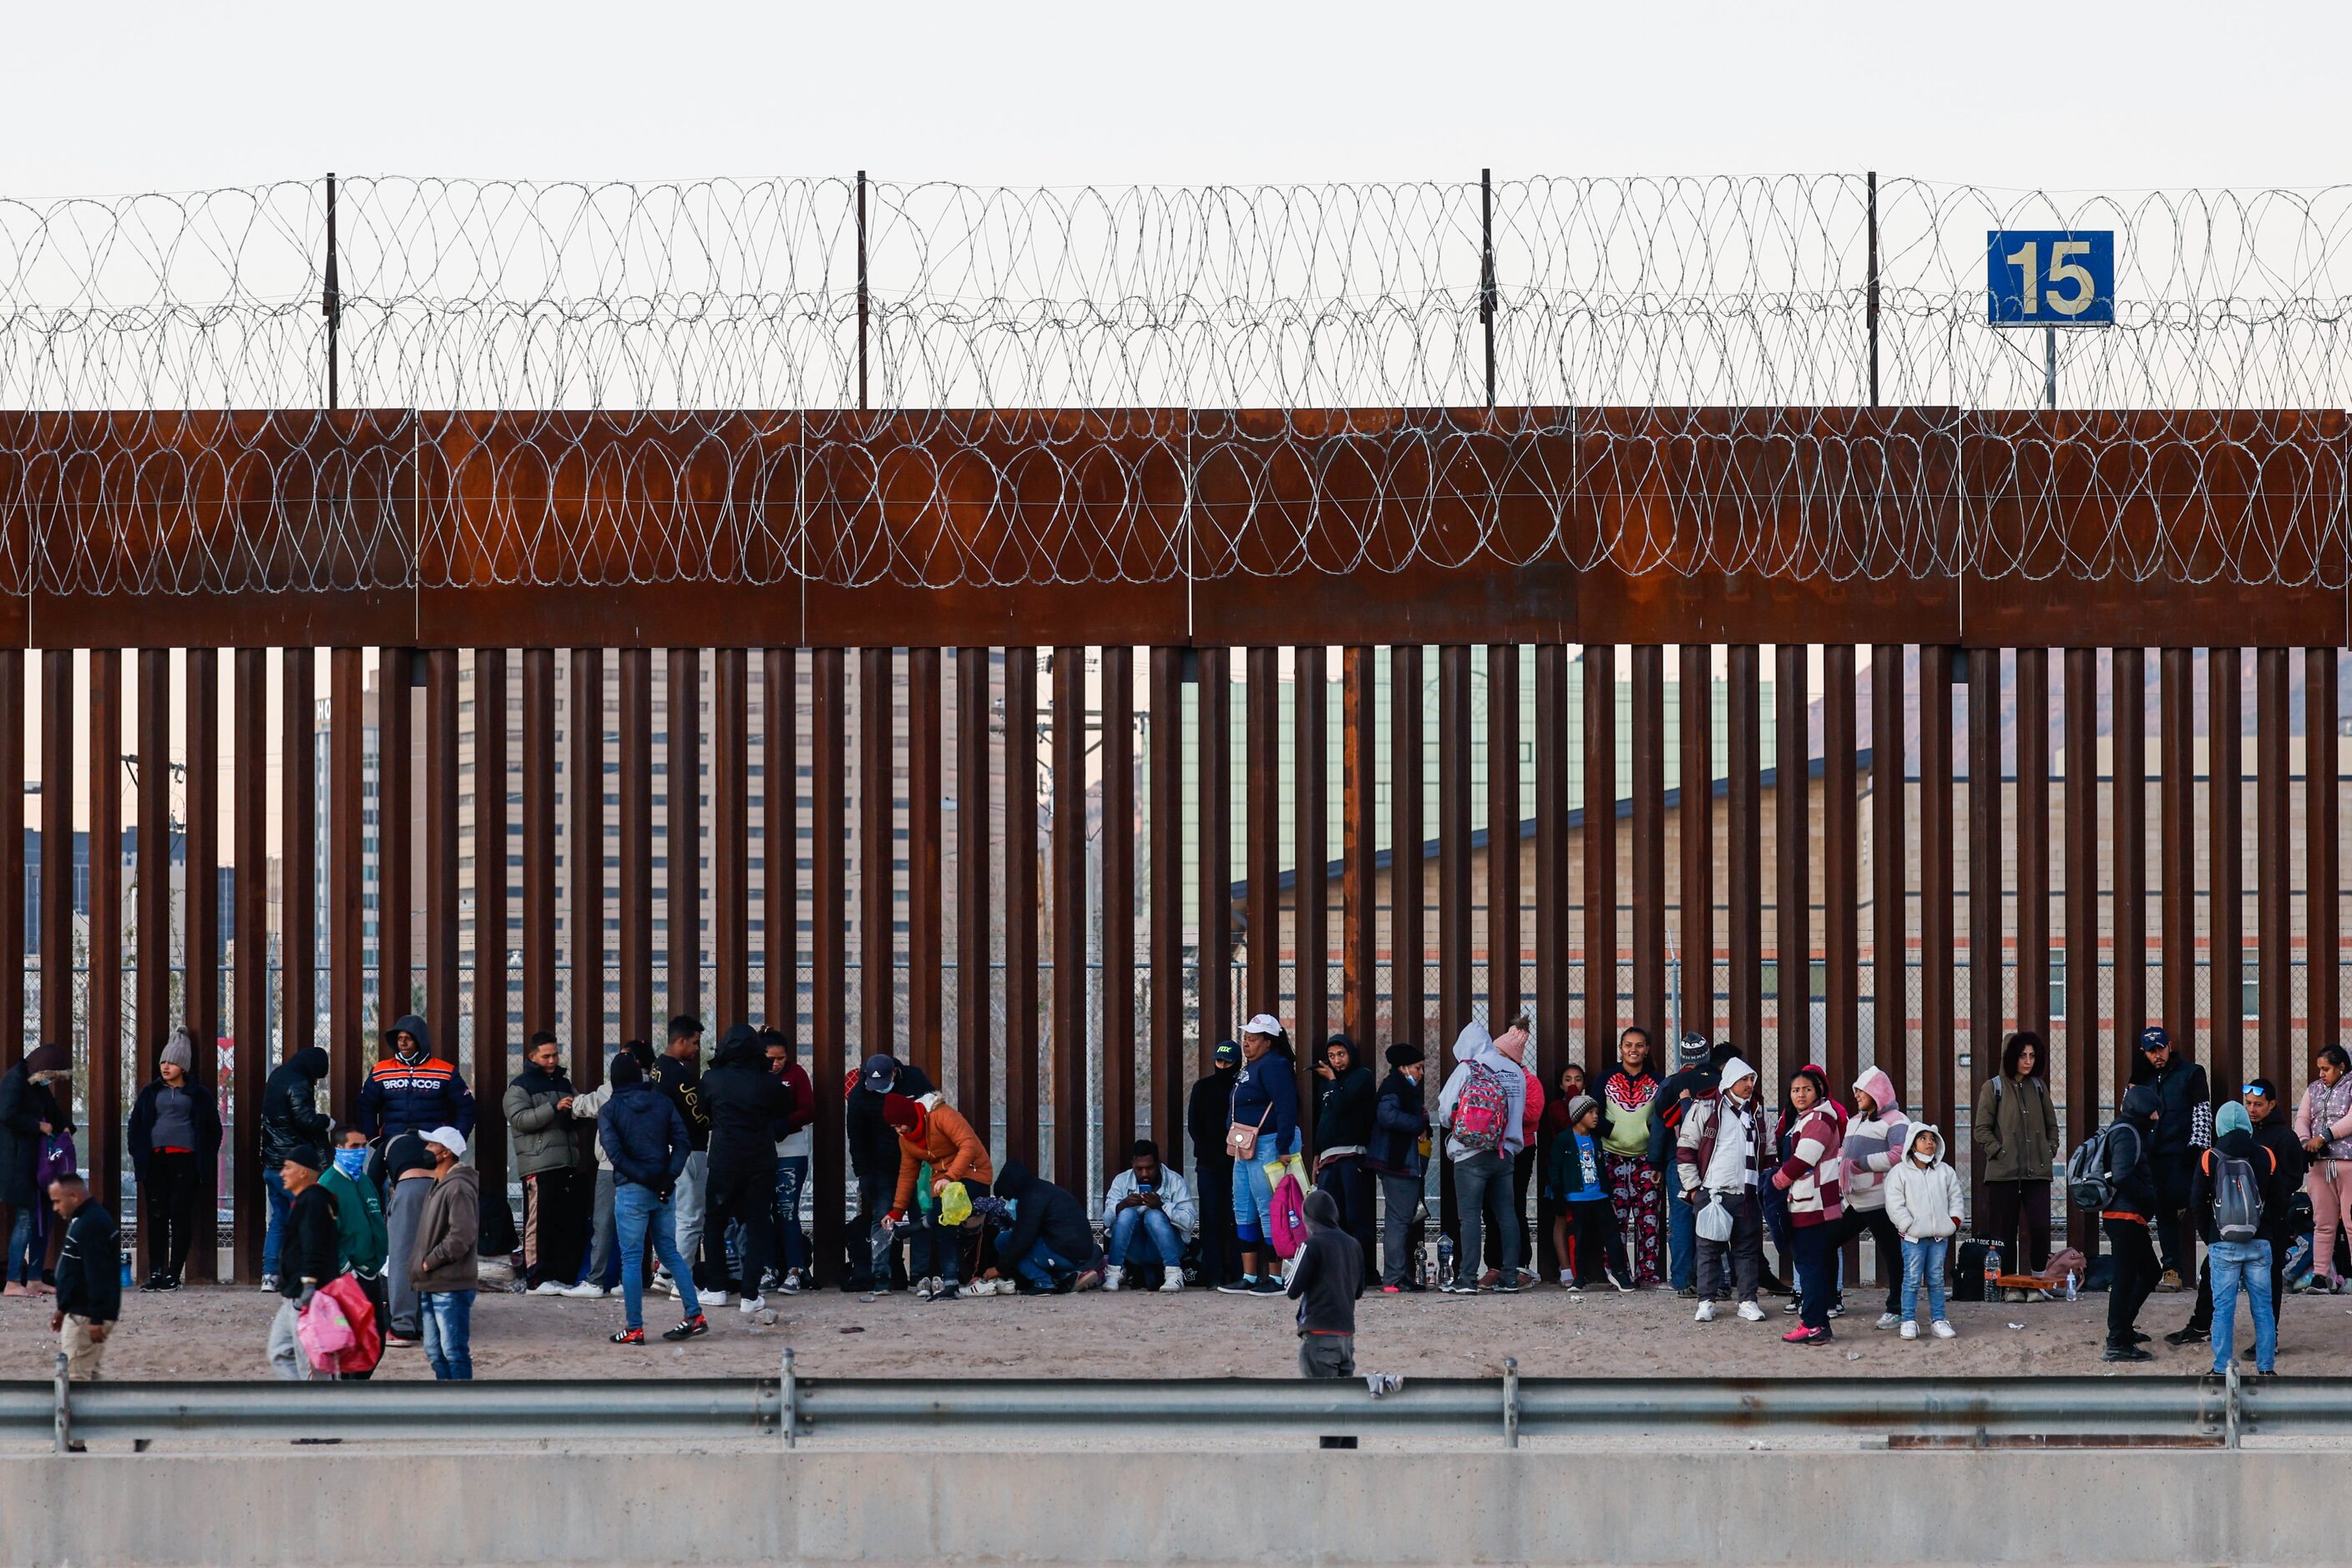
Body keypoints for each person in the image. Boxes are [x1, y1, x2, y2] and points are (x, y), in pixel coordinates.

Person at [2173, 1078, 2307, 1347]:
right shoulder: (2243, 1136)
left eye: (2258, 1104)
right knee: (2214, 1275)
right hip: (2235, 1227)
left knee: (2267, 1287)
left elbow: (2291, 1180)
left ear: (2272, 1105)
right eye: (2248, 1104)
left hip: (2265, 1227)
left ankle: (2267, 1340)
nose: (2252, 1109)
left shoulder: (2283, 1138)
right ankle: (2201, 1325)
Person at [596, 1051, 708, 1344]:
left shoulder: (609, 1110)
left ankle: (634, 1327)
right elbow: (682, 1143)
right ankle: (694, 1314)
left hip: (632, 1189)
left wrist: (647, 1179)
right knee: (670, 1253)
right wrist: (666, 1178)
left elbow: (616, 1155)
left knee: (632, 1259)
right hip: (663, 1189)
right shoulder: (662, 1102)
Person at [699, 1024, 798, 1313]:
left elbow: (704, 1112)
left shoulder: (712, 1079)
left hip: (723, 1161)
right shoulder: (768, 1083)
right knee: (756, 1226)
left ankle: (716, 1288)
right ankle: (750, 1294)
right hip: (760, 1161)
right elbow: (785, 1108)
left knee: (715, 1224)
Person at [2193, 1100, 2290, 1378]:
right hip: (2260, 1242)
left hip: (2222, 1244)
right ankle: (2266, 1367)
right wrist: (2269, 1229)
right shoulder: (2266, 1156)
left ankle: (2221, 1367)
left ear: (2220, 1125)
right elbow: (2281, 1200)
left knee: (2222, 1307)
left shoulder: (2209, 1157)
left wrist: (2211, 1237)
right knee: (2263, 1307)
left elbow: (2196, 1203)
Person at [1434, 1019, 1527, 1295]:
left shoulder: (1468, 1068)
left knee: (1470, 1217)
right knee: (1507, 1215)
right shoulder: (1517, 1070)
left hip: (1470, 1153)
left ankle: (1467, 1279)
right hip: (1506, 1153)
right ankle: (1510, 1277)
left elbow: (1444, 1111)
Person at [126, 1027, 221, 1292]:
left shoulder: (199, 1094)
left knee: (180, 1215)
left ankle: (173, 1274)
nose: (166, 1067)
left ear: (184, 1066)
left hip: (186, 1162)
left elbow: (214, 1129)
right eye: (163, 1062)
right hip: (155, 1160)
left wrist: (204, 1157)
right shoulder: (150, 1092)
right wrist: (138, 1152)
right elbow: (135, 1125)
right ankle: (155, 1273)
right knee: (156, 1215)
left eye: (172, 1062)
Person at [1677, 1055, 1768, 1323]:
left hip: (1747, 1193)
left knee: (1747, 1249)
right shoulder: (1705, 1107)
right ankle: (1706, 1301)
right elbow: (1685, 1150)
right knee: (1708, 1250)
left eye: (1751, 1079)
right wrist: (1694, 1190)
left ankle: (1748, 1301)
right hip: (1713, 1192)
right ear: (1729, 1081)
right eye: (1743, 1079)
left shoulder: (1758, 1111)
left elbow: (1770, 1150)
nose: (1749, 1084)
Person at [1972, 1030, 2062, 1299]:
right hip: (2004, 1174)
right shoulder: (1993, 1088)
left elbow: (2052, 1126)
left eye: (2032, 1056)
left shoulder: (2038, 1087)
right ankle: (2010, 1284)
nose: (2028, 1061)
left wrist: (2049, 1149)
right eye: (2022, 1055)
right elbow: (1981, 1129)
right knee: (2005, 1231)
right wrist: (1999, 1152)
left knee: (2040, 1226)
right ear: (2009, 1056)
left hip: (2037, 1172)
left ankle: (2037, 1284)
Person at [882, 1085, 994, 1301]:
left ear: (910, 1116)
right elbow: (907, 1174)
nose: (899, 1130)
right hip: (942, 1182)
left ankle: (917, 1227)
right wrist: (896, 1211)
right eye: (894, 1127)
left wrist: (950, 1176)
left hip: (973, 1172)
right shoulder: (905, 1141)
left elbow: (968, 1145)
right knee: (944, 1227)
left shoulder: (942, 1115)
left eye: (900, 1124)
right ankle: (950, 1282)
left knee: (945, 1212)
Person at [1219, 1015, 1302, 1296]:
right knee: (1243, 1207)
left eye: (1254, 1038)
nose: (1246, 1042)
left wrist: (1283, 1146)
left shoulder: (1275, 1066)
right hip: (1244, 1144)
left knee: (1269, 1207)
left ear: (1269, 1042)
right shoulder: (1251, 1066)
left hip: (1268, 1142)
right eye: (1246, 1037)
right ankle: (1250, 1275)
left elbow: (1287, 1105)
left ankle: (1276, 1277)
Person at [567, 1038, 655, 1299]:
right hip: (645, 1167)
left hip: (611, 1166)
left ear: (635, 1061)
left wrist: (567, 1102)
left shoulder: (612, 1089)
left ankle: (595, 1280)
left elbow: (584, 1105)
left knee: (604, 1223)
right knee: (638, 1225)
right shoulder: (655, 1088)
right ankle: (631, 1279)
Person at [1822, 1065, 1908, 1329]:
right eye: (1856, 1090)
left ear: (1877, 1092)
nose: (1857, 1094)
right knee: (1827, 1242)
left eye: (1862, 1090)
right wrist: (1838, 1167)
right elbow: (1843, 1152)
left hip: (1881, 1201)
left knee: (1892, 1254)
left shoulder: (1896, 1120)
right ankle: (1831, 1300)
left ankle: (1897, 1308)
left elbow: (1900, 1153)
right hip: (1855, 1201)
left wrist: (1860, 1164)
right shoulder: (1855, 1120)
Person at [844, 1050, 935, 1292]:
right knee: (882, 1216)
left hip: (917, 1160)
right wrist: (863, 1173)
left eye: (882, 1084)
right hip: (882, 1164)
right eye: (873, 1085)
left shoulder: (915, 1079)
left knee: (921, 1216)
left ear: (894, 1073)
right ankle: (881, 1277)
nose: (877, 1089)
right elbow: (856, 1137)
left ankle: (920, 1275)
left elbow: (934, 1112)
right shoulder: (859, 1095)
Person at [504, 1029, 587, 1296]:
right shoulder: (519, 1086)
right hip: (538, 1166)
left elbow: (580, 1114)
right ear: (532, 1056)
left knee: (563, 1224)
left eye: (555, 1055)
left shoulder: (564, 1083)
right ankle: (536, 1278)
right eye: (546, 1056)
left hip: (566, 1163)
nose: (552, 1060)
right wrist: (554, 1108)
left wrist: (576, 1110)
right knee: (538, 1224)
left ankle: (561, 1276)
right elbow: (520, 1120)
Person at [2129, 1026, 2211, 1292]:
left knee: (2199, 1209)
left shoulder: (2191, 1073)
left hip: (2182, 1156)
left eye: (2160, 1049)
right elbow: (2127, 1112)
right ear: (2144, 1053)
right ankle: (2171, 1271)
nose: (2157, 1055)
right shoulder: (2142, 1078)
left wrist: (2195, 1149)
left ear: (2170, 1046)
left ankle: (2216, 1269)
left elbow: (2202, 1113)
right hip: (2152, 1158)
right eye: (2151, 1052)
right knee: (2163, 1214)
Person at [1771, 1064, 1845, 1346]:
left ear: (1819, 1091)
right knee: (1815, 1263)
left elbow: (1805, 1158)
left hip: (1812, 1203)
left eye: (1806, 1089)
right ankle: (1819, 1323)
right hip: (1809, 1200)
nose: (1800, 1094)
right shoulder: (1807, 1117)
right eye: (1795, 1090)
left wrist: (1777, 1181)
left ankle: (1813, 1324)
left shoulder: (1818, 1119)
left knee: (1810, 1265)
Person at [1649, 1033, 1721, 1296]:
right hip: (1714, 1160)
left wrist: (1655, 1161)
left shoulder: (1670, 1084)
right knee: (1714, 1216)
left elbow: (1658, 1125)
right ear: (1706, 1055)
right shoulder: (1721, 1082)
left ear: (1682, 1057)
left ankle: (1681, 1280)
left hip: (1677, 1160)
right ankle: (1716, 1280)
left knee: (1680, 1220)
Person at [255, 1044, 331, 1292]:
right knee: (303, 1219)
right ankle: (295, 1274)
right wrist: (327, 1122)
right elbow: (305, 1119)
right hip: (292, 1165)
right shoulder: (298, 1083)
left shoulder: (277, 1076)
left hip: (271, 1163)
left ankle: (269, 1274)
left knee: (278, 1219)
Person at [647, 1015, 713, 1298]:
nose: (698, 1048)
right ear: (681, 1040)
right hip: (689, 1151)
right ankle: (682, 1283)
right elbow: (700, 1117)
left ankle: (664, 1275)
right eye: (695, 1042)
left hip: (666, 1151)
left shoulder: (657, 1069)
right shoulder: (681, 1076)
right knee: (691, 1218)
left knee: (672, 1216)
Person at [408, 1126, 480, 1380]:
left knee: (453, 1350)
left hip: (450, 1283)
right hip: (433, 1281)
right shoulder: (441, 1184)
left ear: (446, 1152)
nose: (426, 1149)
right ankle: (446, 1402)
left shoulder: (457, 1187)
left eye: (431, 1145)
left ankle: (461, 1409)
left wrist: (429, 1263)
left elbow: (461, 1236)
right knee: (434, 1350)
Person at [1, 1044, 73, 1297]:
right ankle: (12, 1282)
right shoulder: (16, 1080)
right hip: (20, 1163)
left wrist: (66, 1128)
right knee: (25, 1220)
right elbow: (7, 1114)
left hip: (40, 1164)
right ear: (42, 1070)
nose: (50, 1082)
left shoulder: (36, 1085)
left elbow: (54, 1112)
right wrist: (37, 1127)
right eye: (50, 1076)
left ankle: (34, 1278)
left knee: (43, 1219)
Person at [266, 1144, 342, 1381]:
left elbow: (313, 1247)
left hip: (307, 1295)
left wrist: (308, 1285)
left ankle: (318, 1412)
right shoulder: (309, 1200)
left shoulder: (313, 1202)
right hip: (294, 1294)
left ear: (304, 1172)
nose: (282, 1174)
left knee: (312, 1362)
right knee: (279, 1351)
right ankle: (299, 1405)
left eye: (288, 1168)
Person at [319, 1125, 390, 1377]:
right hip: (349, 1277)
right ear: (338, 1149)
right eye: (354, 1147)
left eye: (363, 1146)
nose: (360, 1152)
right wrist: (346, 1268)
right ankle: (349, 1394)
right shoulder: (328, 1185)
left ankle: (356, 1389)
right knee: (351, 1343)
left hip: (372, 1272)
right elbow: (325, 1235)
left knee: (376, 1342)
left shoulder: (365, 1181)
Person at [2101, 1083, 2163, 1362]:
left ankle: (2124, 1328)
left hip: (2128, 1216)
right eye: (2152, 1112)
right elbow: (2123, 1175)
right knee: (2126, 1279)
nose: (2156, 1118)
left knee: (2149, 1271)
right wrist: (2150, 1198)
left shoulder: (2127, 1129)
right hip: (2124, 1216)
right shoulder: (2126, 1134)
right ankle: (2116, 1342)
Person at [1884, 1125, 1962, 1341]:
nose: (1929, 1143)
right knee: (1911, 1279)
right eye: (1923, 1138)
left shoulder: (1945, 1171)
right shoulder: (1899, 1173)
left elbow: (1955, 1197)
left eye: (1932, 1139)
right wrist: (1907, 1225)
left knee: (1937, 1279)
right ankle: (1908, 1320)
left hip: (1939, 1238)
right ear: (1911, 1144)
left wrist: (1953, 1221)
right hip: (1913, 1239)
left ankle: (1938, 1320)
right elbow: (1894, 1203)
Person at [1600, 1025, 1663, 1287]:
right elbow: (1593, 1112)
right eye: (1628, 1045)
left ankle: (1647, 1274)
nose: (1633, 1050)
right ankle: (1618, 1272)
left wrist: (1656, 1157)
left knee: (1648, 1219)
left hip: (1646, 1159)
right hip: (1612, 1157)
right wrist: (1612, 1131)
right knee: (1616, 1218)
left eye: (1639, 1045)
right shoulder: (1606, 1077)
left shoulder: (1658, 1081)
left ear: (1646, 1049)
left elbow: (1663, 1120)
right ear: (1621, 1048)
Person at [1548, 1095, 1632, 1291]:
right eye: (1590, 1113)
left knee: (1612, 1234)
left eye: (1596, 1112)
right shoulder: (1564, 1139)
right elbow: (1555, 1167)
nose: (1596, 1117)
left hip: (1599, 1196)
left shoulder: (1596, 1140)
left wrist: (1608, 1193)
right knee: (1580, 1237)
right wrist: (1559, 1193)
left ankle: (1620, 1274)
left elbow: (1601, 1168)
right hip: (1577, 1198)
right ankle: (1579, 1278)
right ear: (1578, 1116)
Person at [357, 1014, 476, 1151]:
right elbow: (365, 1106)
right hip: (392, 1142)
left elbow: (466, 1107)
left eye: (408, 1038)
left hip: (434, 1145)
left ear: (420, 1040)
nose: (403, 1043)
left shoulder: (445, 1071)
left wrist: (456, 1140)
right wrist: (373, 1138)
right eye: (399, 1039)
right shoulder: (381, 1070)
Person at [48, 1174, 119, 1398]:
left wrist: (96, 1317)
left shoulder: (91, 1224)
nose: (55, 1208)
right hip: (79, 1312)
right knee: (91, 1379)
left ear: (74, 1196)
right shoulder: (85, 1219)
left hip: (85, 1317)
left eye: (58, 1201)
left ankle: (76, 1432)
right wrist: (63, 1307)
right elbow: (75, 1271)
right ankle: (125, 1424)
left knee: (75, 1382)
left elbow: (97, 1274)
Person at [1367, 1043, 1429, 1292]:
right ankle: (1393, 1278)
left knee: (1400, 1219)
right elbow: (1387, 1116)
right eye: (1418, 1067)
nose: (1422, 1072)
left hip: (1400, 1161)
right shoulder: (1395, 1087)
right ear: (1403, 1068)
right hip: (1399, 1163)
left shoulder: (1399, 1087)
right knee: (1399, 1220)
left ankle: (1398, 1277)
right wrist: (1418, 1123)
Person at [1312, 1034, 1378, 1268]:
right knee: (1332, 1215)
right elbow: (1323, 1119)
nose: (1337, 1061)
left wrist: (1331, 1079)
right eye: (1331, 1056)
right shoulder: (1325, 1085)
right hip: (1329, 1158)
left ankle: (1363, 1270)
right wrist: (1317, 1156)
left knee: (1356, 1215)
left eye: (1341, 1054)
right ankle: (1336, 1269)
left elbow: (1343, 1106)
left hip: (1353, 1155)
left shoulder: (1362, 1077)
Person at [992, 1158, 1105, 1292]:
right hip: (1078, 1252)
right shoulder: (1044, 1189)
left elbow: (1022, 1239)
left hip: (1064, 1253)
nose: (1008, 1203)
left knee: (1004, 1241)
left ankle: (1043, 1282)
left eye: (1008, 1198)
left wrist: (999, 1268)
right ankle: (1066, 1277)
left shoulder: (1031, 1198)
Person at [760, 1028, 815, 1292]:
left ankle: (795, 1269)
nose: (776, 1063)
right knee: (763, 1213)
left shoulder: (796, 1075)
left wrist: (785, 1123)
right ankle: (768, 1269)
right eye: (771, 1058)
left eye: (781, 1058)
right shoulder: (753, 1075)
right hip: (760, 1152)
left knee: (787, 1210)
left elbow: (809, 1109)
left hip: (791, 1151)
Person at [1100, 1139, 1196, 1292]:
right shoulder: (1121, 1180)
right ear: (1132, 1163)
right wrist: (1122, 1205)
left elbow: (1189, 1222)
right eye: (1139, 1169)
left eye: (1149, 1168)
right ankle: (1113, 1273)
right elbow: (1106, 1220)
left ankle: (1174, 1274)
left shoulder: (1174, 1180)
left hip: (1168, 1249)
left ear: (1158, 1164)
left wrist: (1162, 1207)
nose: (1144, 1174)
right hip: (1135, 1251)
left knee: (1154, 1216)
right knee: (1126, 1214)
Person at [1186, 1040, 1244, 1289]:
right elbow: (1194, 1124)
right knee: (1210, 1219)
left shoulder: (1241, 1088)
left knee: (1236, 1218)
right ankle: (1214, 1274)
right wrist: (1212, 1151)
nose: (1222, 1066)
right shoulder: (1203, 1088)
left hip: (1237, 1163)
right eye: (1219, 1061)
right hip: (1209, 1164)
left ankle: (1237, 1271)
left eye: (1228, 1061)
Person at [2295, 1044, 2352, 1294]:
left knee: (2351, 1222)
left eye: (2326, 1069)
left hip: (2347, 1162)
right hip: (2319, 1164)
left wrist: (2325, 1136)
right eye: (2319, 1069)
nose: (2321, 1074)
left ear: (2341, 1067)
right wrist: (2304, 1142)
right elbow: (2302, 1119)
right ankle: (2321, 1276)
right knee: (2323, 1222)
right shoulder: (2314, 1090)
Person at [1490, 1020, 1544, 1283]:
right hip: (1492, 1146)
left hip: (1521, 1148)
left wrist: (1496, 1112)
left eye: (1500, 1053)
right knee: (1491, 1208)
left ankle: (1521, 1263)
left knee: (1515, 1205)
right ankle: (1494, 1264)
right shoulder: (1487, 1075)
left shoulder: (1529, 1080)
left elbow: (1533, 1114)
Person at [1289, 1189, 1363, 1378]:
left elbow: (1291, 1289)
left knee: (1320, 1401)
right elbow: (1358, 1291)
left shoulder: (1311, 1245)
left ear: (1308, 1218)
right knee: (1342, 1401)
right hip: (1346, 1336)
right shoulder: (1353, 1244)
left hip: (1319, 1334)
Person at [380, 1128, 438, 1345]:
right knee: (432, 1257)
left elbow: (374, 1178)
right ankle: (426, 1324)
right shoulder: (432, 1144)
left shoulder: (390, 1143)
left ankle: (403, 1327)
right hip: (438, 1189)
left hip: (408, 1191)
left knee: (402, 1258)